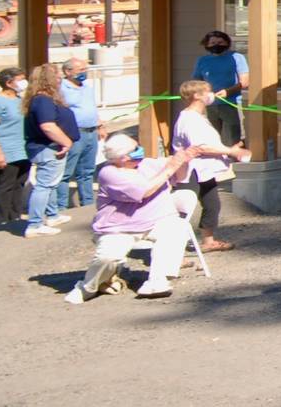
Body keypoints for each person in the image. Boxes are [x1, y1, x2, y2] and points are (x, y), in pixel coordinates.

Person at [64, 134, 199, 304]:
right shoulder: (109, 173)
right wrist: (170, 168)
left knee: (177, 228)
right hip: (118, 227)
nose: (140, 150)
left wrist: (183, 160)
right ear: (123, 157)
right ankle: (88, 287)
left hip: (156, 220)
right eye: (135, 149)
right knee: (108, 257)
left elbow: (179, 176)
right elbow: (144, 191)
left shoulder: (148, 164)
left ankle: (158, 280)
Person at [173, 79, 251, 252]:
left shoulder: (198, 117)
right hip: (189, 170)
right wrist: (232, 152)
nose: (211, 95)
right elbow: (201, 147)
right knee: (183, 210)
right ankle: (174, 247)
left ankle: (208, 241)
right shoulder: (190, 119)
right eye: (207, 91)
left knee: (212, 204)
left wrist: (230, 149)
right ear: (196, 95)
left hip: (203, 170)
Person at [22, 64, 78, 238]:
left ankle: (53, 215)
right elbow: (47, 126)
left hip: (50, 147)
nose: (60, 79)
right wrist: (66, 142)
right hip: (47, 148)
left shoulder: (42, 99)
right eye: (57, 76)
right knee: (44, 185)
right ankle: (35, 224)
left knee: (51, 183)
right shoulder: (43, 100)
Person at [54, 56, 106, 214]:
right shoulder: (61, 89)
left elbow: (92, 108)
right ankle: (61, 206)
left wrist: (100, 125)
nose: (85, 73)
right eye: (81, 70)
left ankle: (87, 204)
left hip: (91, 131)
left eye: (85, 69)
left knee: (87, 171)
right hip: (74, 134)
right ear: (68, 72)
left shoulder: (87, 87)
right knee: (66, 172)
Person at [0, 67, 30, 226]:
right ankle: (0, 218)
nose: (24, 82)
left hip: (23, 149)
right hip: (7, 150)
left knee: (19, 184)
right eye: (20, 79)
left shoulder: (19, 99)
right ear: (9, 83)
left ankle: (14, 216)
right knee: (6, 185)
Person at [192, 30, 249, 146]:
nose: (216, 45)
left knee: (234, 137)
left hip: (231, 103)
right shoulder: (202, 61)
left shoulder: (237, 57)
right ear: (207, 45)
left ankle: (235, 160)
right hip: (209, 104)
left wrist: (227, 92)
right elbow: (196, 82)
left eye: (220, 42)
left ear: (227, 43)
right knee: (211, 137)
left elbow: (245, 82)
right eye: (212, 43)